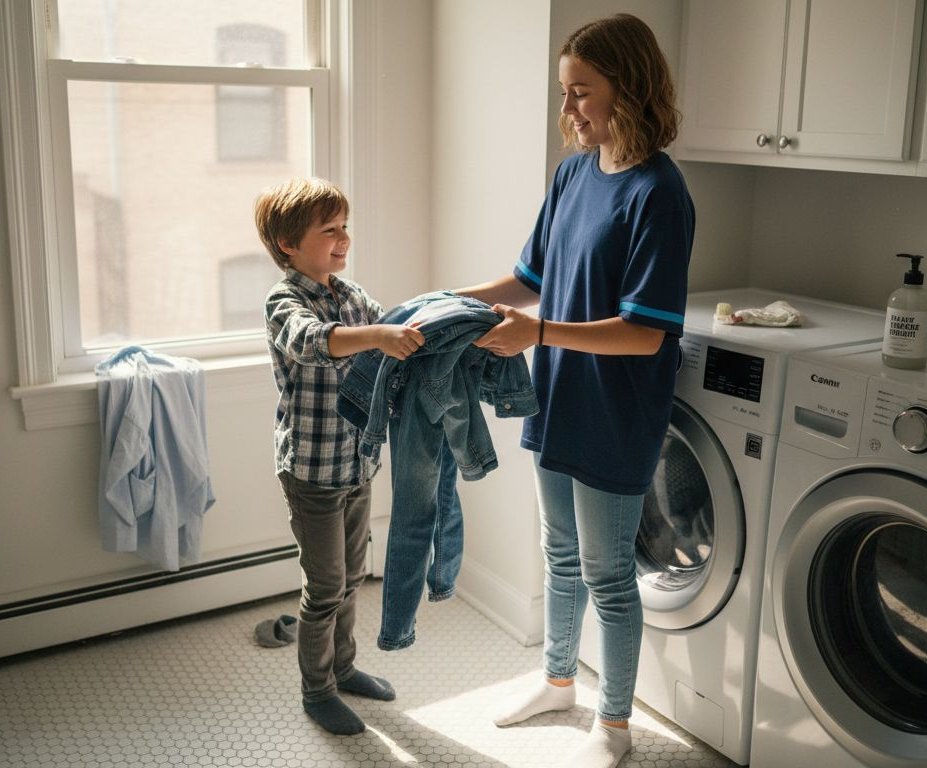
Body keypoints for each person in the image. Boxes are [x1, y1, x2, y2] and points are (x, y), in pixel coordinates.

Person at [454, 14, 694, 768]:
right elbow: (528, 281)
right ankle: (559, 682)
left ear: (629, 85)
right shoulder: (573, 175)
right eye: (566, 92)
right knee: (559, 554)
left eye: (582, 91)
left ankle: (614, 728)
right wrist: (447, 304)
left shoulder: (660, 193)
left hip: (616, 410)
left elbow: (645, 331)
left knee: (609, 574)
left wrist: (540, 334)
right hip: (556, 397)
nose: (571, 110)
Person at [256, 177, 425, 735]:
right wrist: (377, 336)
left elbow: (397, 324)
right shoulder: (284, 301)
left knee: (353, 578)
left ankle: (344, 667)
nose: (342, 239)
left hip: (356, 463)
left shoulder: (352, 297)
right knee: (325, 586)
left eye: (344, 227)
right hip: (311, 471)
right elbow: (311, 342)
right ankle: (316, 690)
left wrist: (438, 325)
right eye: (328, 230)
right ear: (288, 243)